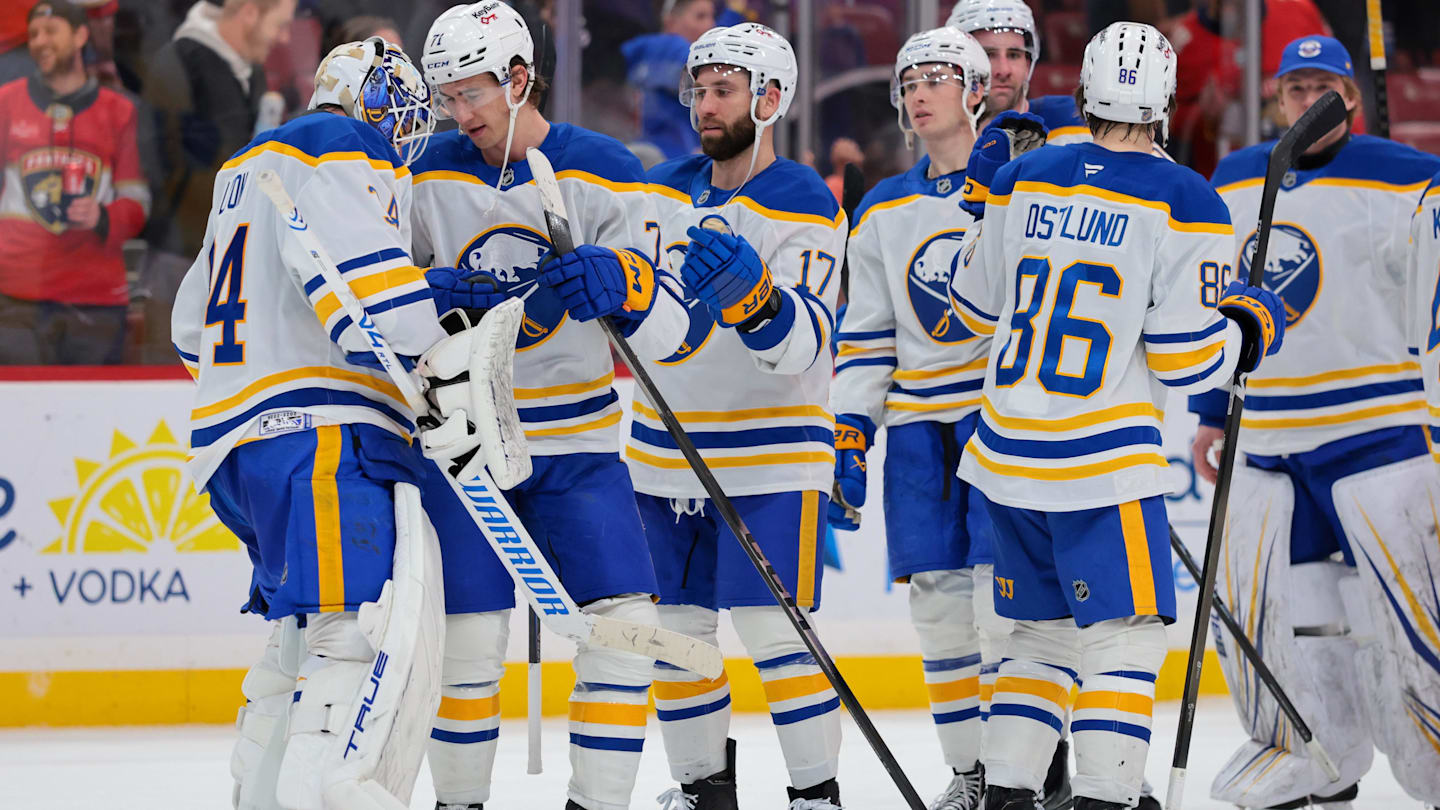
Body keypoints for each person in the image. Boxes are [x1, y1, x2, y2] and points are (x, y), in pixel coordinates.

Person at [950, 21, 1286, 810]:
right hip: (1101, 462)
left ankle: (1008, 797)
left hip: (1006, 454)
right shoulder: (1187, 198)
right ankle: (1106, 800)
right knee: (1124, 641)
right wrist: (1247, 331)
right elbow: (1182, 359)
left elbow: (970, 309)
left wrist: (979, 208)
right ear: (1166, 101)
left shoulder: (1023, 175)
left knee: (1036, 640)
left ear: (1082, 91)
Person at [409, 4, 692, 809]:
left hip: (577, 448)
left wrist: (629, 284)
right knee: (465, 647)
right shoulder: (422, 173)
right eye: (446, 98)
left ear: (519, 78)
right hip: (463, 446)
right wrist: (423, 294)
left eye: (471, 94)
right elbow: (378, 312)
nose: (459, 114)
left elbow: (673, 332)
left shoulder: (603, 167)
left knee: (626, 632)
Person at [171, 37, 450, 810]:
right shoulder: (342, 143)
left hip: (238, 447)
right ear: (369, 100)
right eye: (396, 111)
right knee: (350, 643)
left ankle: (256, 798)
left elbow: (188, 329)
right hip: (324, 438)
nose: (399, 134)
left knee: (297, 640)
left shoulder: (242, 166)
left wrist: (259, 382)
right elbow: (375, 307)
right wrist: (446, 318)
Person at [1193, 34, 1440, 810]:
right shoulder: (1237, 177)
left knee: (1408, 617)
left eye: (1323, 88)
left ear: (1352, 100)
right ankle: (1321, 758)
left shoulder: (1410, 175)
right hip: (1270, 439)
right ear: (1276, 100)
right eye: (1295, 89)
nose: (1308, 101)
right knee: (1290, 619)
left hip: (1379, 432)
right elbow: (1223, 301)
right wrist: (1210, 412)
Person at [636, 22, 848, 810]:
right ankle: (703, 791)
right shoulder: (661, 189)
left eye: (723, 90)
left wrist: (760, 304)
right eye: (699, 90)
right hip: (664, 453)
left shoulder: (802, 198)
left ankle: (816, 796)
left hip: (771, 455)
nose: (705, 105)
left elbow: (805, 343)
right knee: (677, 638)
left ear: (770, 98)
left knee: (776, 637)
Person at [828, 26, 998, 810]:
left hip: (1000, 421)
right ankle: (971, 772)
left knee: (1005, 606)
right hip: (920, 432)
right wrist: (852, 428)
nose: (920, 92)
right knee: (939, 609)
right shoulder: (883, 207)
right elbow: (867, 334)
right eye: (910, 81)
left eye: (937, 77)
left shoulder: (1017, 189)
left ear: (976, 91)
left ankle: (1025, 770)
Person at [140, 0, 295, 362]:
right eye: (280, 24)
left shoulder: (250, 72)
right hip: (181, 258)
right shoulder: (180, 62)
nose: (285, 38)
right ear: (250, 13)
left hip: (236, 256)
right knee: (173, 376)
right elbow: (161, 164)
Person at [0, 0, 148, 365]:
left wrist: (102, 216)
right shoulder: (6, 102)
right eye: (34, 34)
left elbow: (138, 201)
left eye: (51, 31)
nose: (40, 41)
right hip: (16, 296)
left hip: (94, 300)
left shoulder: (120, 110)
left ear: (81, 35)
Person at [946, 0, 1090, 145]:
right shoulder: (941, 143)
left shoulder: (1075, 118)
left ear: (1027, 64)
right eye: (988, 55)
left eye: (1014, 55)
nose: (1004, 70)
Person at [621, 0, 715, 160]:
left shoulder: (640, 50)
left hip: (639, 149)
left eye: (712, 17)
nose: (711, 25)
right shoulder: (676, 48)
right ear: (670, 22)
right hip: (675, 156)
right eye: (700, 17)